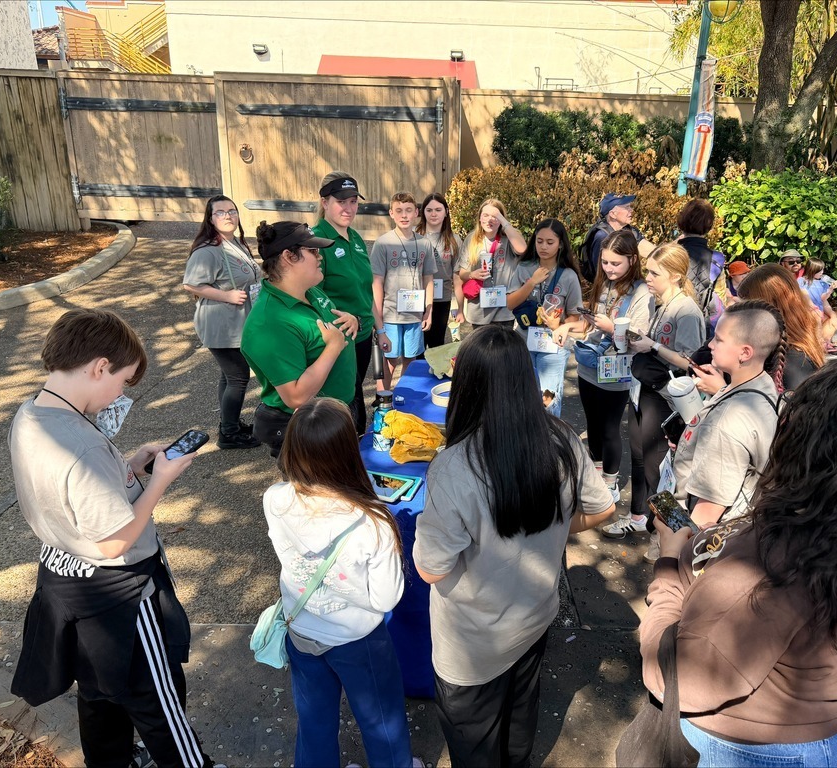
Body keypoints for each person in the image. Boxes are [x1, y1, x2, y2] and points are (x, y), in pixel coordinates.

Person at [641, 359, 837, 767]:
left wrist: (668, 563)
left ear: (805, 443)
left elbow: (678, 676)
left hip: (744, 749)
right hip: (831, 733)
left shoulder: (771, 565)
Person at [8, 309, 224, 768]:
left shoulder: (32, 413)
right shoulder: (82, 443)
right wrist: (160, 480)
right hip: (119, 592)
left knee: (100, 693)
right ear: (99, 366)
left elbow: (68, 490)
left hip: (66, 579)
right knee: (158, 701)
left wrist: (129, 465)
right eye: (122, 381)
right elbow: (113, 542)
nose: (120, 394)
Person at [413, 324, 615, 768]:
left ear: (465, 384)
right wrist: (555, 528)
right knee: (519, 728)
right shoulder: (562, 439)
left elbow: (430, 569)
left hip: (473, 643)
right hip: (535, 618)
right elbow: (604, 510)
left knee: (475, 746)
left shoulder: (453, 466)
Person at [263, 398, 415, 768]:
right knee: (381, 723)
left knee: (314, 723)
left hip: (302, 631)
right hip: (358, 640)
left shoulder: (274, 498)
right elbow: (385, 598)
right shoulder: (373, 521)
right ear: (347, 450)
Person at [554, 229, 650, 524]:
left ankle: (609, 481)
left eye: (615, 264)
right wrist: (567, 328)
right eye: (605, 262)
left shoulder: (642, 293)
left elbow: (641, 339)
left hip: (616, 374)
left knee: (609, 429)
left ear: (632, 260)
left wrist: (612, 329)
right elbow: (589, 325)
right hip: (588, 368)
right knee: (593, 425)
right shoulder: (603, 284)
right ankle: (596, 476)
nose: (608, 269)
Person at [240, 221, 358, 457]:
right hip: (312, 431)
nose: (320, 256)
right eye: (313, 251)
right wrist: (334, 347)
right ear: (289, 257)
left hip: (337, 413)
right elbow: (296, 396)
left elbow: (329, 325)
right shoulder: (269, 322)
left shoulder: (309, 291)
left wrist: (352, 320)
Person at [613, 243, 704, 547]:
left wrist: (652, 346)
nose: (647, 278)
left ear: (676, 276)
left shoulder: (686, 310)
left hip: (666, 396)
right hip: (645, 389)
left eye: (654, 273)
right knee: (639, 456)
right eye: (647, 271)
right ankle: (640, 518)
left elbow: (691, 362)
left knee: (661, 467)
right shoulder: (658, 302)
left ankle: (671, 536)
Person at [673, 301, 783, 528]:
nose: (711, 344)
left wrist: (674, 555)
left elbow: (705, 518)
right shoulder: (761, 384)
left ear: (745, 352)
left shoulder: (728, 422)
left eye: (719, 339)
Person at [181, 195, 263, 450]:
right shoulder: (208, 250)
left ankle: (230, 424)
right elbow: (191, 283)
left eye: (232, 211)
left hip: (238, 322)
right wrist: (225, 295)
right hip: (221, 326)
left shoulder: (235, 243)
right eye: (220, 212)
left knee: (229, 377)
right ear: (210, 218)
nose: (228, 216)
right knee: (238, 377)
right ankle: (228, 434)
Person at [312, 171, 375, 435]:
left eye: (353, 201)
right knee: (340, 400)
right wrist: (338, 324)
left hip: (362, 332)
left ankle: (355, 444)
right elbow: (312, 295)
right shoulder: (315, 240)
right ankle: (344, 450)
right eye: (341, 201)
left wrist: (373, 326)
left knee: (356, 390)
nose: (348, 208)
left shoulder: (356, 238)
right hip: (339, 336)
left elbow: (365, 288)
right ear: (325, 202)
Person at [708, 263, 824, 394]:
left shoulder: (795, 362)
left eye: (745, 306)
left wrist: (721, 390)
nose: (740, 312)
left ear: (769, 309)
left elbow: (789, 412)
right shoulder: (769, 346)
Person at [506, 218, 582, 417]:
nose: (544, 247)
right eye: (539, 241)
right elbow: (510, 303)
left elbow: (576, 317)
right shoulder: (524, 268)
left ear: (561, 244)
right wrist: (532, 282)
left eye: (550, 242)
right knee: (522, 396)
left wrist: (561, 324)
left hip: (554, 347)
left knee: (548, 401)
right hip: (523, 341)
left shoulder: (568, 276)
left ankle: (550, 442)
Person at [371, 192, 435, 388]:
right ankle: (383, 401)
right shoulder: (383, 243)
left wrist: (428, 311)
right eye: (399, 211)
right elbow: (377, 282)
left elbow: (428, 278)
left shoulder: (424, 243)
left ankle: (404, 397)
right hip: (391, 315)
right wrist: (379, 319)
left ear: (416, 212)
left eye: (409, 210)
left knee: (411, 359)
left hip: (414, 315)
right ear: (391, 213)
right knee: (389, 360)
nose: (404, 215)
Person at [456, 198, 527, 327]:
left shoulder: (509, 239)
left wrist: (503, 220)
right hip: (479, 311)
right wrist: (472, 274)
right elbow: (461, 273)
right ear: (479, 218)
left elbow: (522, 249)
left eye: (494, 216)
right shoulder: (472, 239)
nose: (490, 220)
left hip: (504, 311)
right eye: (486, 215)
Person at [416, 192, 463, 348]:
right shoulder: (415, 237)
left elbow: (457, 277)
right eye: (429, 210)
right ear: (423, 212)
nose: (433, 214)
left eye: (438, 209)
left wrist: (461, 308)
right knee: (418, 346)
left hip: (442, 299)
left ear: (446, 212)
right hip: (418, 298)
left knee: (437, 344)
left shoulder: (454, 240)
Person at [676, 198, 726, 336]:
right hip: (699, 328)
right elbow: (720, 299)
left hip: (669, 323)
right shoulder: (717, 259)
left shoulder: (669, 254)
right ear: (709, 225)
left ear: (682, 221)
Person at [580, 193, 652, 283]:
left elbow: (646, 247)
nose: (631, 210)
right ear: (613, 214)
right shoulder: (601, 236)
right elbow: (601, 274)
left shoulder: (626, 229)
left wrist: (669, 256)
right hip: (607, 287)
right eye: (627, 207)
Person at [798, 257, 837, 355]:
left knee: (832, 321)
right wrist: (814, 310)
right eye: (819, 270)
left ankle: (826, 343)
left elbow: (822, 299)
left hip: (819, 311)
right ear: (812, 270)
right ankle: (819, 344)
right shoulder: (801, 281)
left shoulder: (823, 282)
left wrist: (831, 289)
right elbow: (803, 298)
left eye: (823, 270)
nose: (822, 272)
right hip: (805, 311)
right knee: (817, 316)